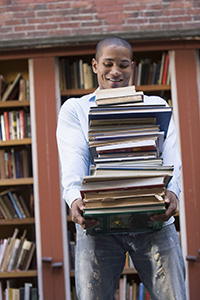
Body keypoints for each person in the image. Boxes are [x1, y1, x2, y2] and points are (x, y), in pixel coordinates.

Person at [56, 36, 186, 300]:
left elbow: (171, 157)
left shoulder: (156, 106)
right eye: (108, 63)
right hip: (97, 220)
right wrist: (73, 199)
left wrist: (173, 192)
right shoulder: (76, 109)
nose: (115, 71)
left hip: (153, 220)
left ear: (132, 67)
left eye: (123, 65)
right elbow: (73, 157)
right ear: (94, 66)